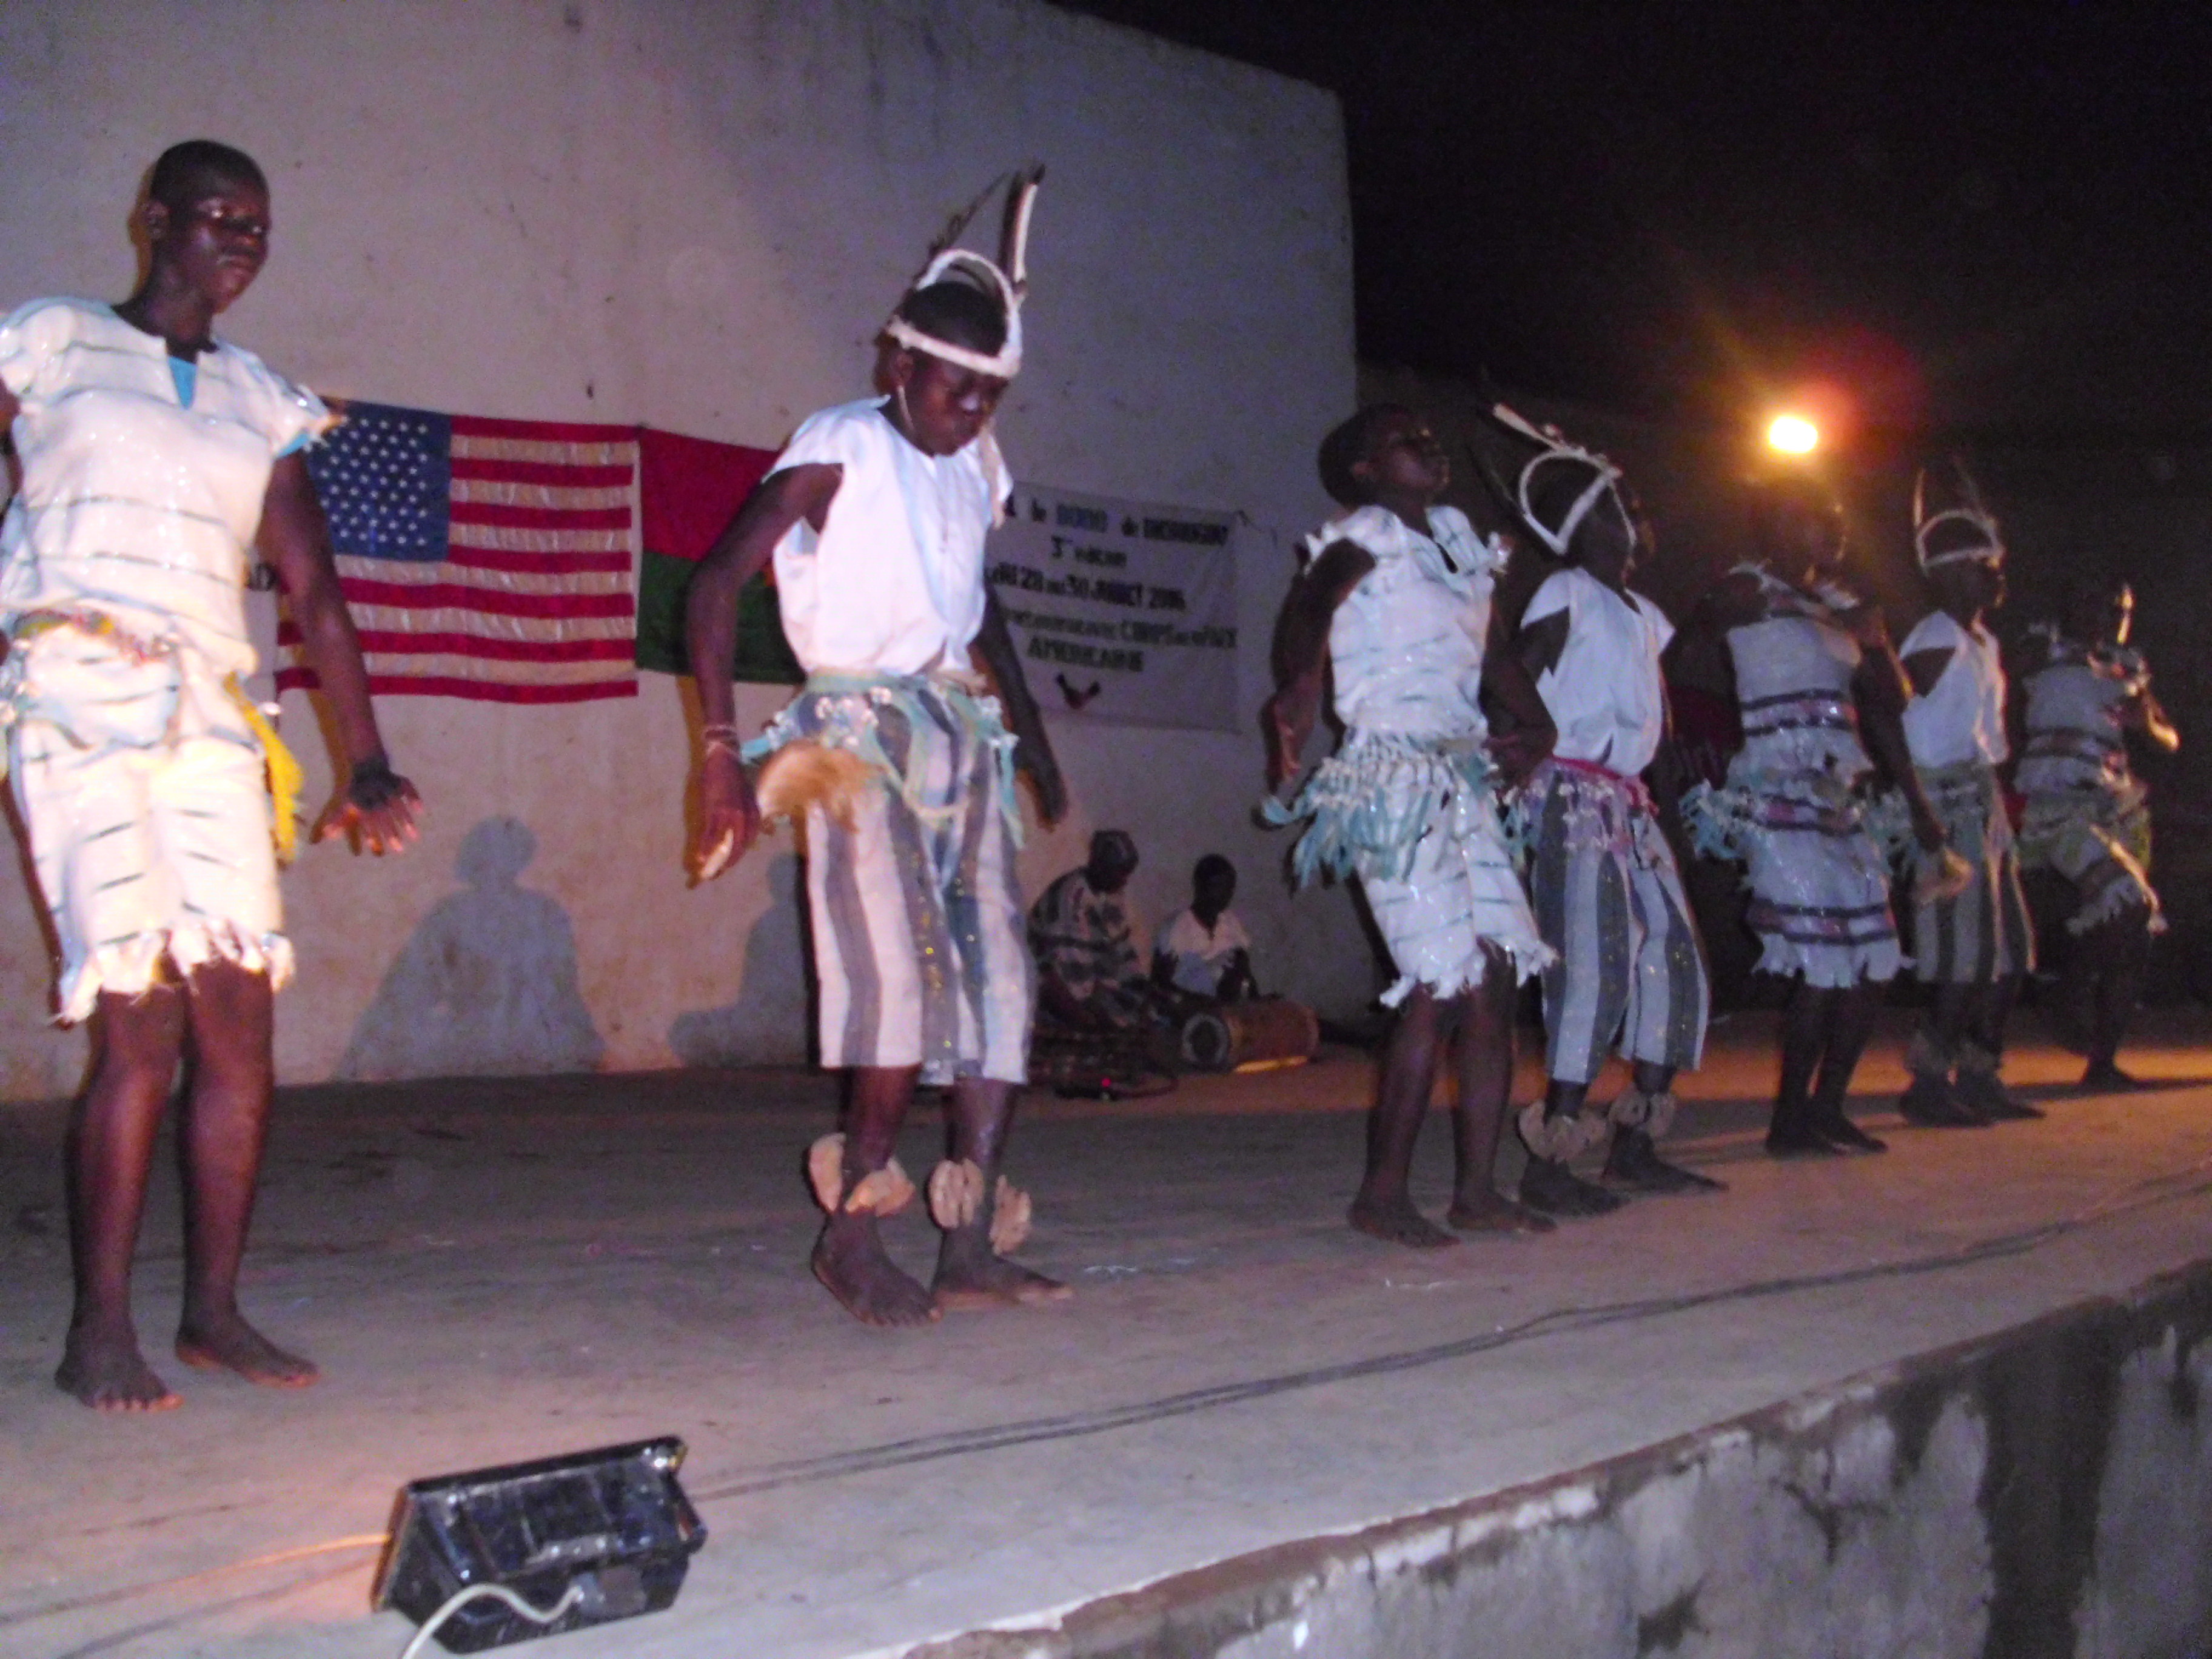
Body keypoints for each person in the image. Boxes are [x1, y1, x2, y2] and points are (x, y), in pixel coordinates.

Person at [1, 141, 421, 1411]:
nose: (243, 241)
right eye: (220, 217)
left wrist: (367, 757)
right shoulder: (52, 343)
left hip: (212, 714)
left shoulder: (258, 398)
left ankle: (215, 1312)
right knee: (140, 1023)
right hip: (75, 700)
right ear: (155, 220)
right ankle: (99, 1331)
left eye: (260, 225)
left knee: (240, 1025)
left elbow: (314, 588)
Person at [685, 171, 1070, 1326]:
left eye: (990, 395)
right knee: (889, 979)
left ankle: (970, 1241)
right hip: (859, 738)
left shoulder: (977, 469)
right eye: (957, 388)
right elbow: (715, 580)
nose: (972, 412)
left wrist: (1032, 738)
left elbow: (982, 611)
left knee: (998, 983)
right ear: (898, 363)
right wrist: (720, 750)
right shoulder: (840, 440)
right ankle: (850, 1237)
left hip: (964, 733)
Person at [1264, 404, 1557, 1247]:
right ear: (1365, 469)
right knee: (1437, 982)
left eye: (1430, 435)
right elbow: (1311, 606)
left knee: (1496, 974)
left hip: (1461, 773)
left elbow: (1491, 652)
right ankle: (1383, 1195)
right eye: (1406, 440)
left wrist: (1539, 722)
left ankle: (1478, 1192)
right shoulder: (1365, 535)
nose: (1429, 443)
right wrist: (1300, 688)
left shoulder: (1459, 541)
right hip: (1390, 773)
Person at [1683, 480, 1959, 1157]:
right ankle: (1789, 1121)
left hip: (1840, 796)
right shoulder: (1748, 590)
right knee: (1820, 960)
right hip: (1776, 788)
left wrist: (1875, 639)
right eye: (1816, 517)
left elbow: (1890, 705)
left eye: (1836, 518)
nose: (1833, 528)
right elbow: (1679, 651)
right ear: (1777, 524)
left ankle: (1827, 1107)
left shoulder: (1839, 604)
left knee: (1875, 956)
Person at [1499, 409, 1718, 1208]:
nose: (1644, 520)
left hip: (1629, 803)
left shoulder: (1641, 614)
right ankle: (1550, 1161)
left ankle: (1635, 1146)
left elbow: (1656, 723)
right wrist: (1511, 769)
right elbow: (1513, 676)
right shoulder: (1567, 590)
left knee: (1675, 958)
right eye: (1630, 507)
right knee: (1593, 964)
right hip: (1570, 793)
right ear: (1592, 521)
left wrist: (1669, 806)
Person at [1894, 474, 2039, 1125]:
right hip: (1945, 800)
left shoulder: (1983, 642)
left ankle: (1979, 1071)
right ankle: (1928, 1084)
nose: (1996, 576)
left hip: (1981, 800)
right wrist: (1916, 808)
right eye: (1986, 565)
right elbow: (1890, 711)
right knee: (1964, 956)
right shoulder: (1935, 637)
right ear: (1951, 573)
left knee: (2008, 954)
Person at [2016, 575, 2177, 1088]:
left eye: (2121, 610)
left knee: (2134, 932)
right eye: (2101, 605)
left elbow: (2168, 737)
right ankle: (2066, 989)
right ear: (2074, 603)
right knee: (2129, 902)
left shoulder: (2128, 666)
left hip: (2117, 811)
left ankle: (2101, 1060)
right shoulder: (2045, 646)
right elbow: (2011, 675)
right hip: (2058, 807)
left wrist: (2146, 725)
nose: (2112, 618)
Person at [1031, 830, 1153, 1029]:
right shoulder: (1070, 898)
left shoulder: (1110, 895)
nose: (1125, 880)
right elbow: (1073, 977)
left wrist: (1142, 992)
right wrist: (1100, 1021)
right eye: (1120, 872)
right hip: (1060, 991)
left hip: (1090, 987)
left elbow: (1123, 951)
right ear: (1100, 866)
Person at [1153, 853, 1256, 1003]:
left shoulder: (1231, 922)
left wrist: (1259, 1001)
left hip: (1225, 1008)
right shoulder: (1176, 927)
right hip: (1187, 1008)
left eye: (1229, 887)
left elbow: (1245, 974)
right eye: (1217, 886)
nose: (1224, 894)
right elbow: (1160, 986)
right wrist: (1202, 1003)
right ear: (1199, 886)